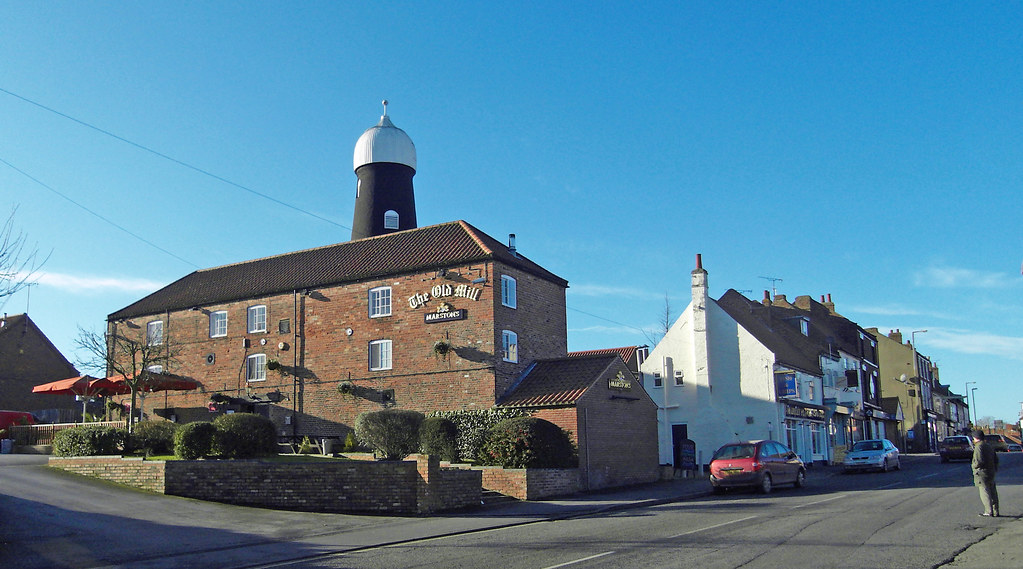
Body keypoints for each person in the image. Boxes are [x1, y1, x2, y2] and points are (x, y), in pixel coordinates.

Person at [971, 429, 999, 517]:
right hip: (991, 471)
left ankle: (988, 511)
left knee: (984, 492)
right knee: (993, 492)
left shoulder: (979, 447)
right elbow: (996, 459)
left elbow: (979, 461)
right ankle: (996, 511)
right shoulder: (988, 446)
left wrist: (973, 466)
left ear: (976, 438)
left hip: (982, 473)